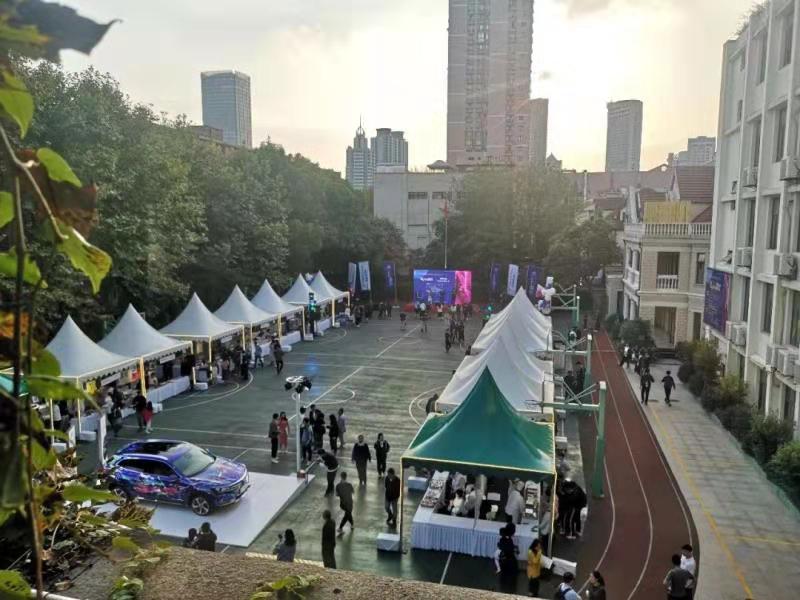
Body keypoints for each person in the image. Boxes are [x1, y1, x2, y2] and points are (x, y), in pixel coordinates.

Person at [494, 526, 519, 594]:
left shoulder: (503, 540)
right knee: (510, 574)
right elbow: (509, 548)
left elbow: (505, 548)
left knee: (504, 574)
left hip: (506, 560)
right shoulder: (508, 539)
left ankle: (504, 587)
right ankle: (510, 588)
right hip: (509, 559)